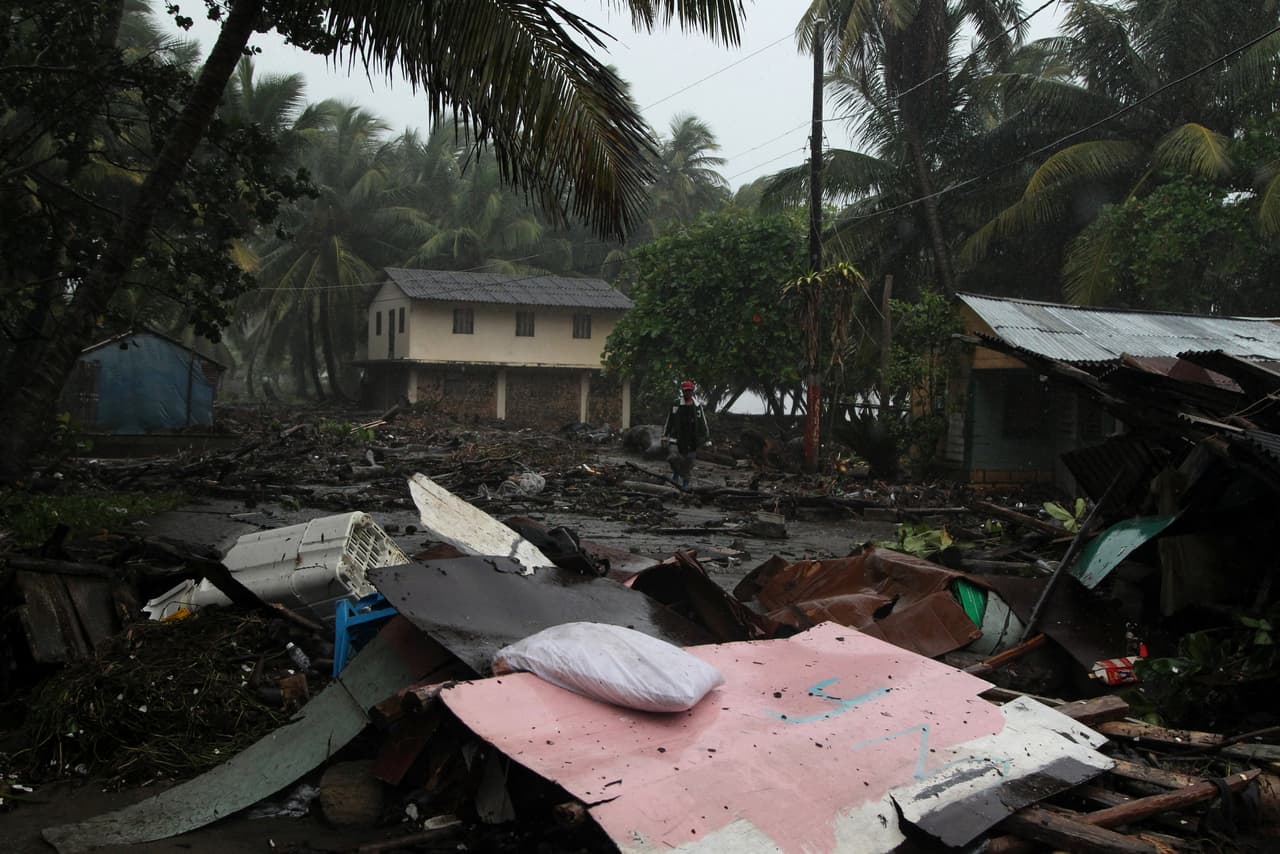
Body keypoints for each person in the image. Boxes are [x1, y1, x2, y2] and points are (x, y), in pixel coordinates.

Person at [662, 380, 710, 489]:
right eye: (686, 391)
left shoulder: (697, 406)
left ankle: (685, 484)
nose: (688, 393)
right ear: (682, 391)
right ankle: (677, 472)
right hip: (676, 437)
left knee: (688, 462)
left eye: (690, 391)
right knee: (672, 458)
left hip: (692, 439)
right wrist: (665, 435)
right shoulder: (676, 404)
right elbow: (669, 420)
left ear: (693, 391)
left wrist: (707, 439)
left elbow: (703, 422)